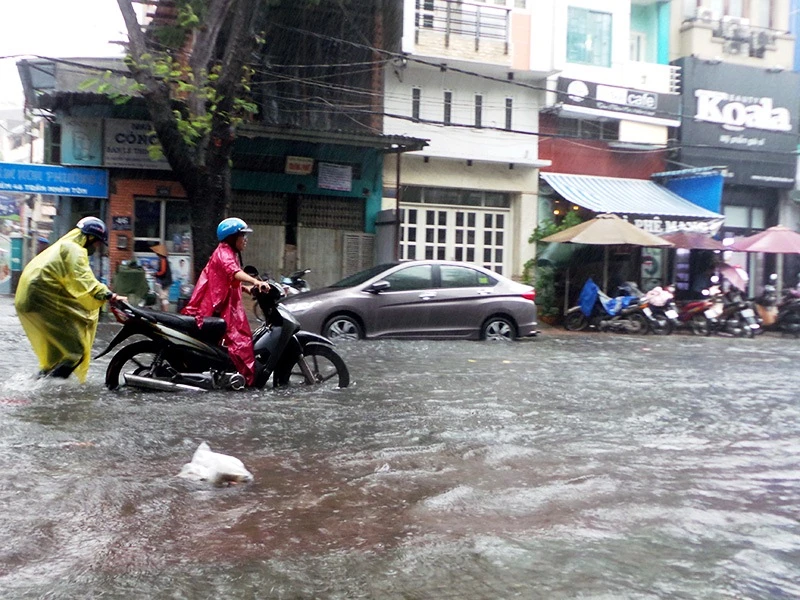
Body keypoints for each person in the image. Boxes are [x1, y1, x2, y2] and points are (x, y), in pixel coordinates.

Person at [14, 217, 128, 381]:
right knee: (76, 351)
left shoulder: (62, 246)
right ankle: (48, 391)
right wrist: (109, 295)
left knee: (56, 355)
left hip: (30, 298)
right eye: (97, 243)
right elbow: (83, 279)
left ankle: (36, 386)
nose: (96, 247)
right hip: (41, 299)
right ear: (90, 238)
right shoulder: (74, 249)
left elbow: (72, 284)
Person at [180, 217, 268, 387]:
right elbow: (233, 272)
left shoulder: (228, 252)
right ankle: (238, 378)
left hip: (218, 306)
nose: (246, 239)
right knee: (240, 341)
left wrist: (246, 289)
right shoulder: (224, 253)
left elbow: (227, 279)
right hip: (213, 308)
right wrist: (255, 282)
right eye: (243, 235)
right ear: (232, 238)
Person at [150, 243, 172, 311]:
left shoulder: (163, 260)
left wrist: (155, 274)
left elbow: (162, 271)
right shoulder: (164, 260)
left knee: (163, 298)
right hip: (166, 281)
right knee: (162, 298)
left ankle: (165, 312)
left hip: (164, 282)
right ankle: (164, 312)